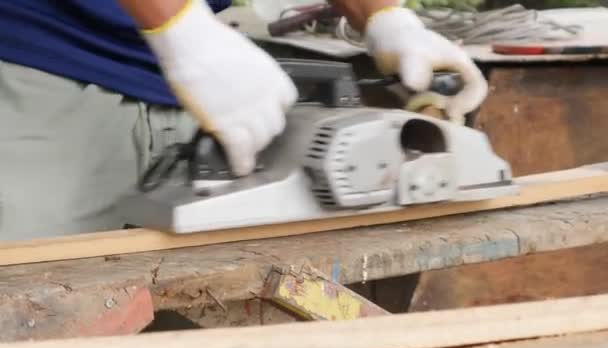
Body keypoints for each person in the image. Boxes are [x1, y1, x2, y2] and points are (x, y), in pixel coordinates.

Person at [0, 0, 487, 241]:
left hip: (202, 86)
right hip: (39, 70)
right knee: (30, 332)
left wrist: (385, 19)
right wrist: (178, 25)